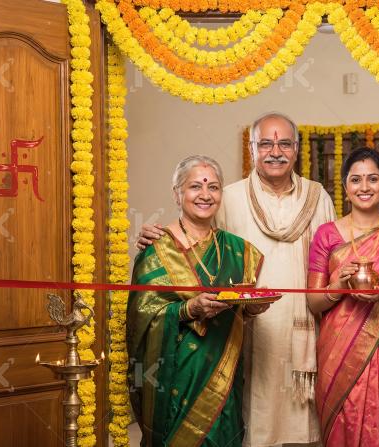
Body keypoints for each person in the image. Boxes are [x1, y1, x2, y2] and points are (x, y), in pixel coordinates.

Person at [136, 113, 335, 447]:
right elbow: (196, 245)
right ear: (252, 148)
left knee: (303, 430)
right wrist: (152, 235)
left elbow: (332, 262)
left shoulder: (318, 198)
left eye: (285, 143)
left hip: (303, 333)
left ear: (297, 149)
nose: (276, 151)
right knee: (246, 422)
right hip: (239, 332)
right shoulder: (229, 195)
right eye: (266, 143)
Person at [127, 155, 271, 446]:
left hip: (224, 370)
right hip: (175, 373)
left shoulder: (238, 250)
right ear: (177, 193)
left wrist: (253, 307)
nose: (205, 195)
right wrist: (188, 309)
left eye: (214, 187)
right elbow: (140, 317)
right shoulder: (156, 248)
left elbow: (240, 308)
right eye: (195, 186)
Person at [306, 148, 379, 447]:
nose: (364, 187)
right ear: (345, 187)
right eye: (356, 180)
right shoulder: (326, 235)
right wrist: (336, 287)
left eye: (373, 179)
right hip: (339, 353)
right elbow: (313, 302)